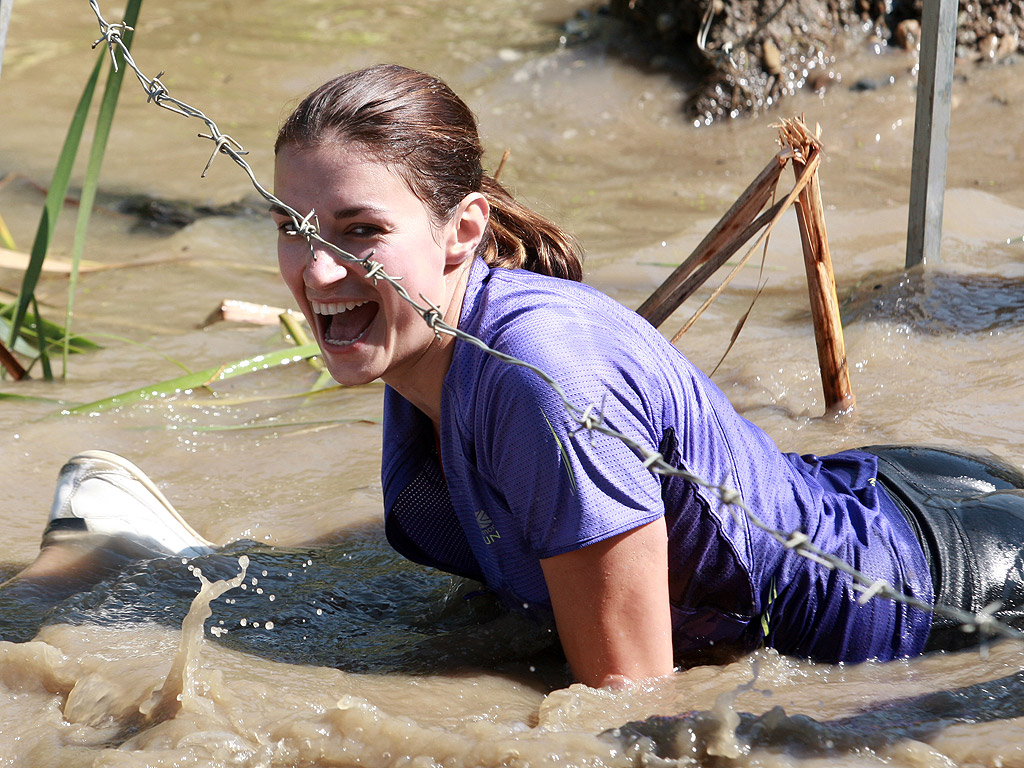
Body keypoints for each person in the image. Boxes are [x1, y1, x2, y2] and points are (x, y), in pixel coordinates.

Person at [8, 64, 1024, 688]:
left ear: (462, 234)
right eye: (293, 227)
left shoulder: (538, 384)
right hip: (878, 487)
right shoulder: (421, 348)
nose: (315, 271)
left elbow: (630, 704)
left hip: (950, 590)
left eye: (359, 231)